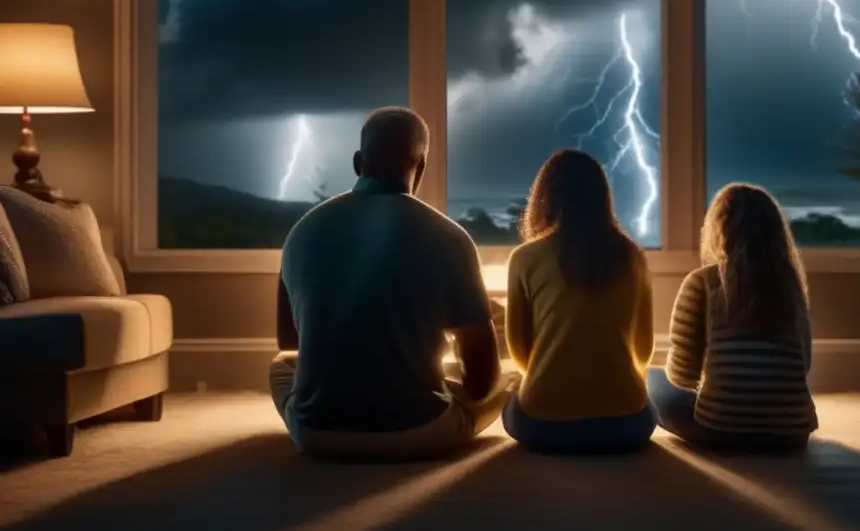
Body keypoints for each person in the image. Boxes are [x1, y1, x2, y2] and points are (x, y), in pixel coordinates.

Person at [268, 106, 510, 459]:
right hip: (418, 432)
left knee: (280, 367)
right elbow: (481, 379)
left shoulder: (303, 231)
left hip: (316, 432)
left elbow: (290, 342)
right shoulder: (450, 237)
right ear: (421, 167)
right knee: (508, 380)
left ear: (357, 162)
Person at [502, 148, 656, 454]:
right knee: (656, 396)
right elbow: (643, 348)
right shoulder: (634, 256)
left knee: (507, 396)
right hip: (625, 428)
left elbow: (519, 352)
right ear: (602, 197)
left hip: (542, 426)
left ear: (544, 197)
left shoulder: (523, 258)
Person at [646, 182, 817, 452]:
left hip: (721, 430)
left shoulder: (703, 282)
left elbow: (681, 376)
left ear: (718, 230)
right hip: (792, 435)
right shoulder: (789, 285)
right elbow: (804, 363)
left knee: (650, 380)